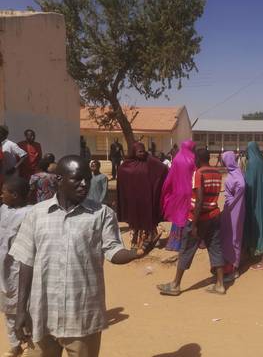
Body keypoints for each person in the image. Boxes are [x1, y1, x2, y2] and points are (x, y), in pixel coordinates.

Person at [10, 155, 158, 357]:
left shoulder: (102, 214)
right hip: (42, 315)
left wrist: (138, 253)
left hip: (82, 316)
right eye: (77, 179)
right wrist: (20, 311)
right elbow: (26, 263)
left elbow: (113, 252)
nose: (84, 184)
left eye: (87, 179)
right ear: (60, 180)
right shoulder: (37, 214)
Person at [157, 148, 225, 296]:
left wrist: (194, 223)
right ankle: (220, 284)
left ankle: (175, 285)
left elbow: (199, 199)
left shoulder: (198, 173)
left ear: (198, 159)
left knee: (186, 249)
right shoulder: (217, 173)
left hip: (200, 218)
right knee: (215, 248)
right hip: (214, 215)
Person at [0, 176, 32, 357]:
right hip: (4, 268)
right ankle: (15, 345)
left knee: (24, 307)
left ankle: (28, 343)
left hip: (20, 268)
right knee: (7, 309)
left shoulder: (30, 213)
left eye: (4, 191)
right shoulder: (4, 209)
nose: (1, 194)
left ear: (14, 194)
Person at [117, 142, 168, 250]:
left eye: (143, 151)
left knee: (148, 216)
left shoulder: (149, 160)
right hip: (133, 197)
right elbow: (121, 173)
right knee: (134, 219)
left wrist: (156, 185)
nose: (142, 153)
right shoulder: (127, 164)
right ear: (134, 152)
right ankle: (135, 240)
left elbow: (163, 169)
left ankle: (151, 237)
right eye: (139, 151)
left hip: (146, 196)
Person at [160, 140, 197, 258]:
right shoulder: (193, 159)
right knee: (189, 215)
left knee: (178, 215)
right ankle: (188, 242)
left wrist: (166, 190)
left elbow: (170, 177)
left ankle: (175, 243)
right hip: (190, 191)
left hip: (178, 192)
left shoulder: (176, 159)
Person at [243, 142, 263, 270]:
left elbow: (249, 184)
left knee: (258, 225)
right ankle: (256, 253)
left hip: (255, 200)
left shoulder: (252, 165)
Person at [220, 151, 246, 281]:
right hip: (230, 209)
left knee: (234, 237)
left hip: (235, 209)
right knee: (228, 236)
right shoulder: (235, 172)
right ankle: (228, 265)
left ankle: (234, 269)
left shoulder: (236, 175)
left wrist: (232, 201)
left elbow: (241, 186)